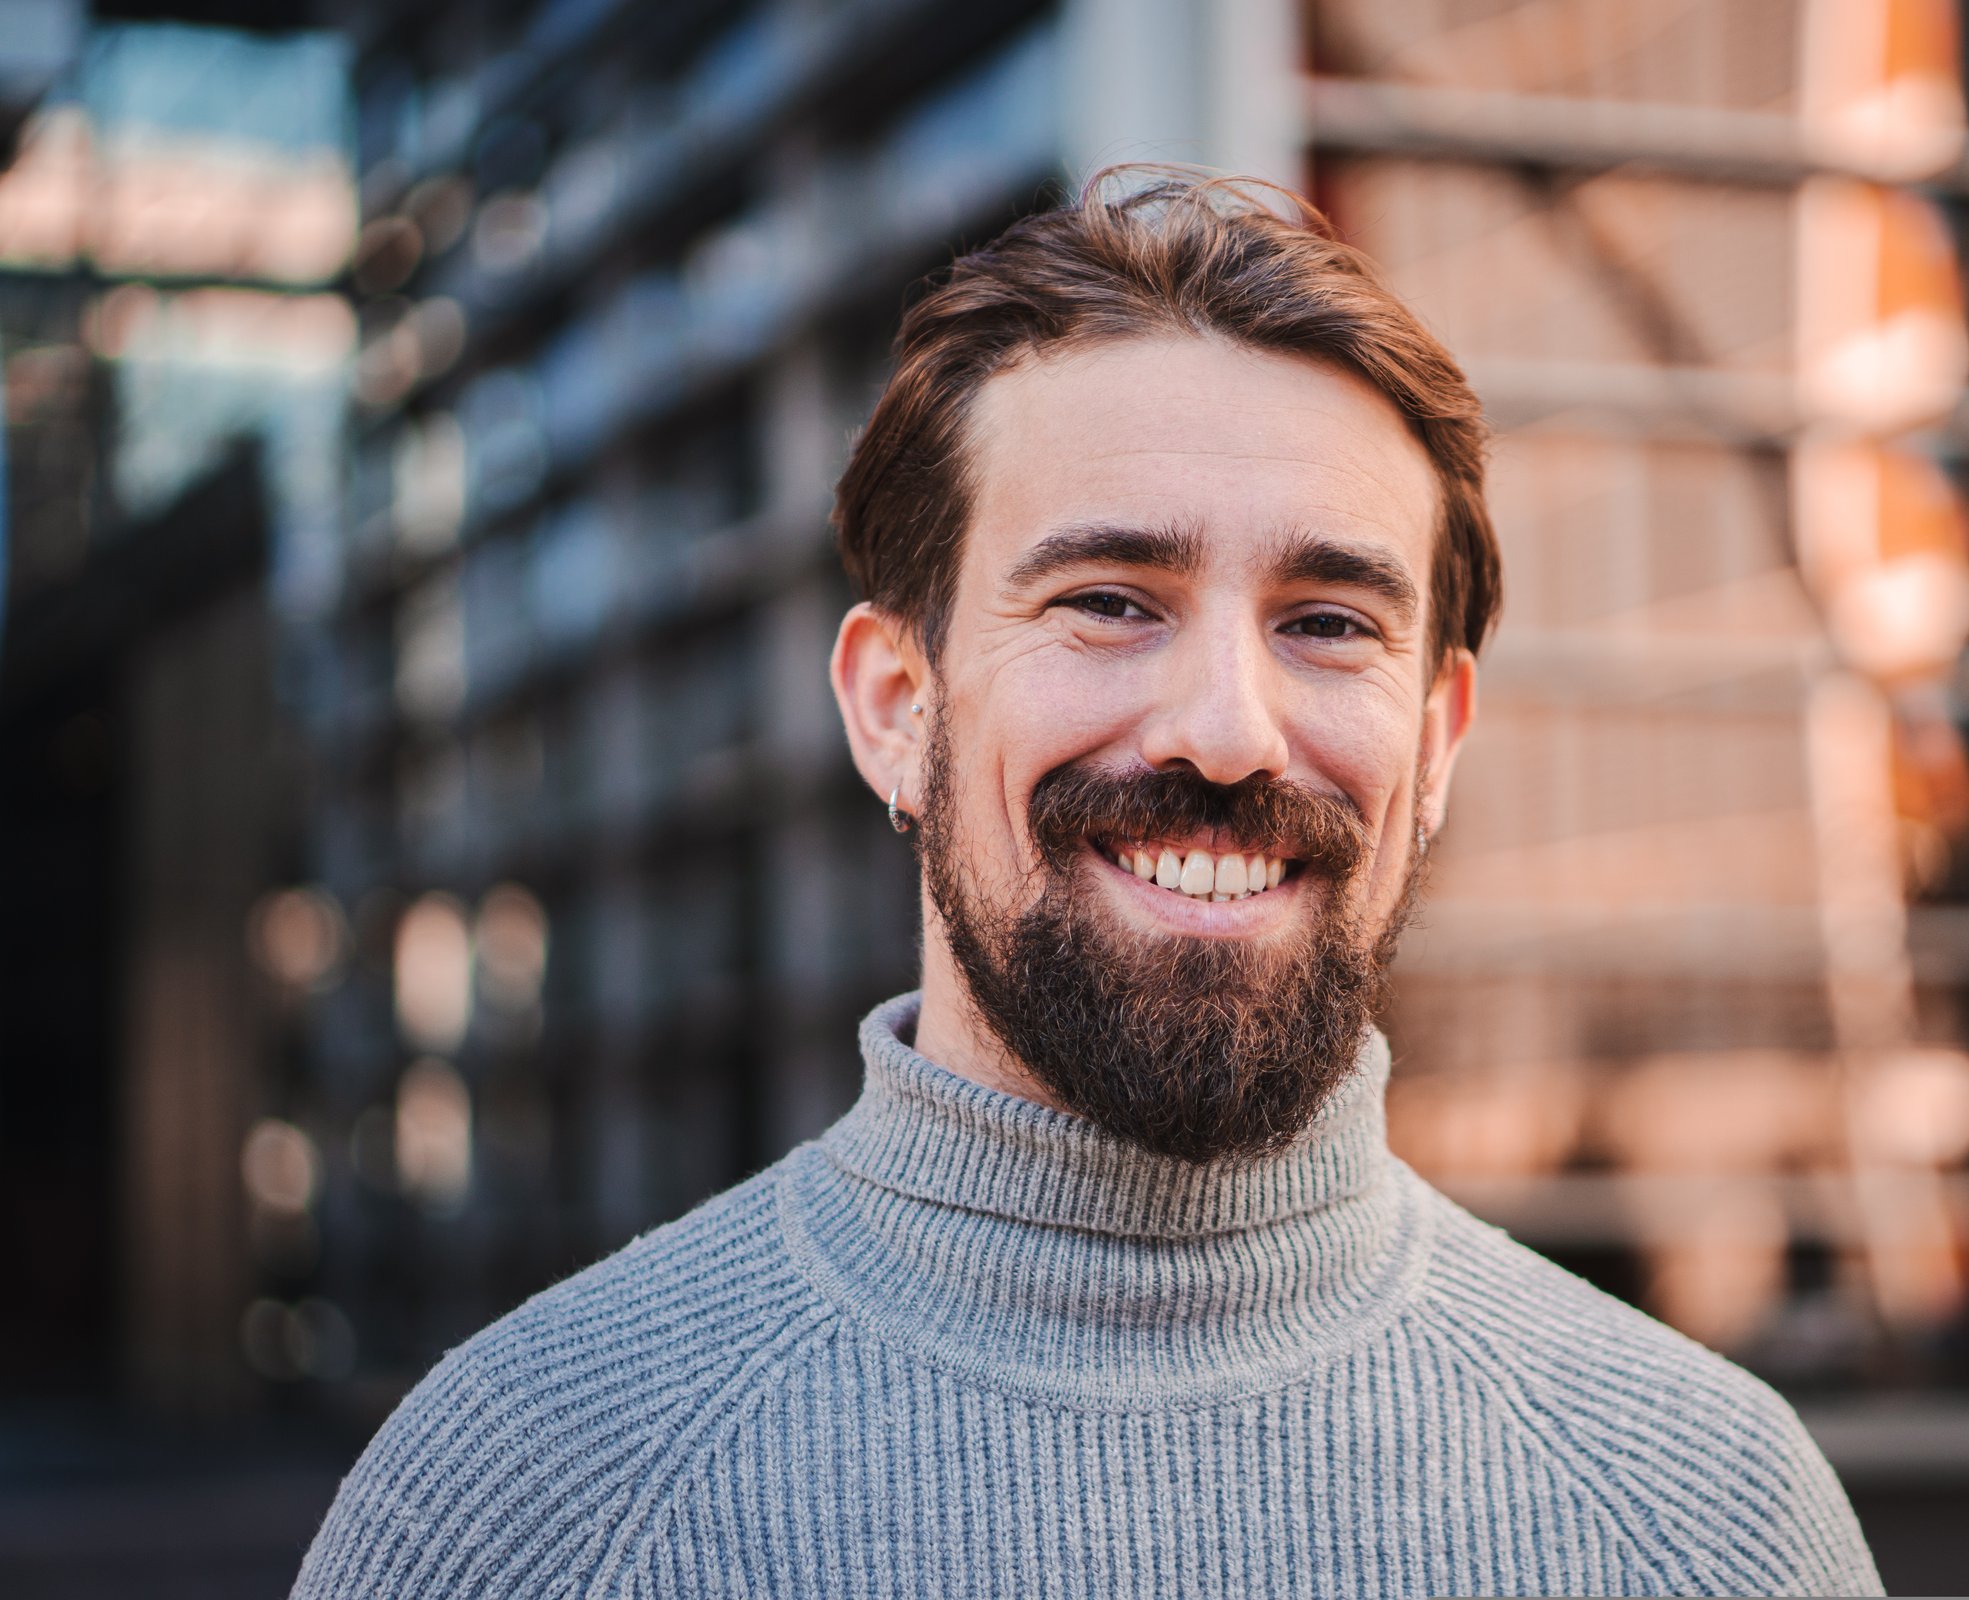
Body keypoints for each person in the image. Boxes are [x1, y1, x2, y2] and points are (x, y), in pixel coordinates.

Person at [294, 170, 1881, 1599]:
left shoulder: (1708, 1517)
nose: (1229, 733)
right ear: (896, 709)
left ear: (1440, 735)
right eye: (1113, 600)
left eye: (1329, 622)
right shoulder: (525, 1508)